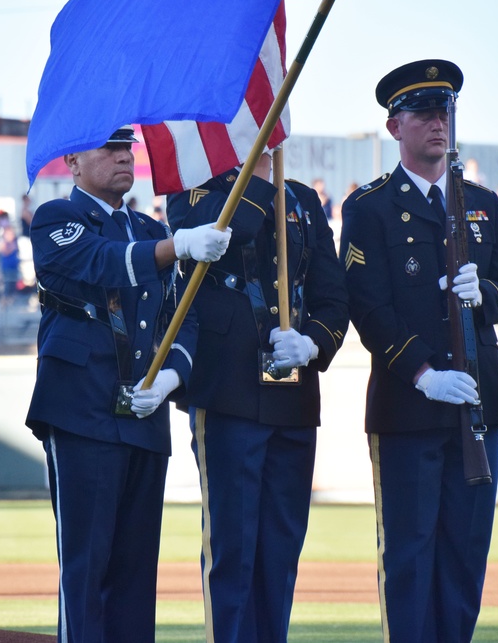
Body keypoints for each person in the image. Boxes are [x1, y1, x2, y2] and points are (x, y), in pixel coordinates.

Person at [338, 59, 498, 642]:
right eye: (421, 112)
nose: (436, 123)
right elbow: (369, 309)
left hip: (477, 405)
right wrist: (422, 373)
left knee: (465, 560)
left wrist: (485, 292)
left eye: (443, 110)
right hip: (408, 408)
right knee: (410, 558)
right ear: (395, 127)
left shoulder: (481, 203)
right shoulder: (368, 208)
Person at [26, 125, 231, 643]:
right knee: (87, 565)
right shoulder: (58, 217)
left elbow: (184, 318)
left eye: (127, 148)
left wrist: (171, 376)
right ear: (72, 162)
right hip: (82, 410)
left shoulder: (146, 226)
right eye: (109, 148)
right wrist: (175, 246)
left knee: (137, 573)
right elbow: (99, 262)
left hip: (143, 412)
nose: (123, 156)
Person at [167, 155, 350, 643]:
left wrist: (312, 341)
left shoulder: (305, 199)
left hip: (294, 393)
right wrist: (260, 177)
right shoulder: (195, 188)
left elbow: (333, 296)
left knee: (281, 549)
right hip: (228, 390)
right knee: (232, 547)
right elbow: (230, 238)